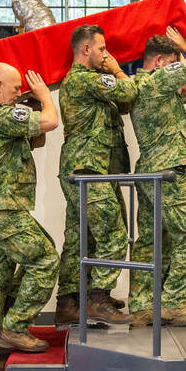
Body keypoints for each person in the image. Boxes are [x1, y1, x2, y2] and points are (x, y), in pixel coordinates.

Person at [0, 63, 60, 370]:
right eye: (16, 87)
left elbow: (37, 139)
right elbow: (50, 122)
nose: (19, 93)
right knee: (45, 258)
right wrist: (45, 96)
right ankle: (14, 326)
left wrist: (31, 106)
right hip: (0, 207)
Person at [55, 24, 136, 326]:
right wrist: (116, 69)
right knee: (114, 233)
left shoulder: (92, 84)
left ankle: (69, 303)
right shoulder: (84, 79)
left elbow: (125, 104)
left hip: (91, 169)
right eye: (102, 49)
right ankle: (97, 299)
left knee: (80, 238)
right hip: (87, 169)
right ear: (86, 49)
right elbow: (130, 90)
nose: (106, 54)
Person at [127, 27, 186, 326]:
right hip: (167, 170)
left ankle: (143, 305)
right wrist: (184, 44)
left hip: (152, 171)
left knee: (152, 239)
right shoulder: (158, 81)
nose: (177, 67)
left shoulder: (148, 85)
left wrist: (179, 56)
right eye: (173, 62)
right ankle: (172, 301)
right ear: (160, 61)